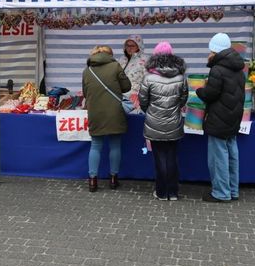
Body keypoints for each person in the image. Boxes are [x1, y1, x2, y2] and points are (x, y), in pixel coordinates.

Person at [196, 33, 245, 203]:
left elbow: (210, 94)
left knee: (218, 157)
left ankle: (221, 192)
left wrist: (199, 90)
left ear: (215, 50)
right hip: (233, 117)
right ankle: (233, 190)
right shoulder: (238, 67)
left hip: (219, 117)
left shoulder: (217, 69)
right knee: (232, 154)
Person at [138, 41, 188, 201]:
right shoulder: (181, 77)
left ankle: (161, 192)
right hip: (174, 122)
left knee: (159, 158)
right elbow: (183, 99)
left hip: (154, 123)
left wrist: (151, 112)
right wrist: (174, 109)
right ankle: (173, 193)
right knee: (172, 157)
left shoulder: (148, 78)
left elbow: (143, 101)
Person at [82, 45, 131, 192]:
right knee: (115, 145)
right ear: (109, 55)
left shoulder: (87, 70)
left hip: (95, 112)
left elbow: (85, 93)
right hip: (114, 112)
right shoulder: (115, 66)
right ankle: (114, 179)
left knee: (95, 145)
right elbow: (127, 86)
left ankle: (92, 181)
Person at [118, 35, 146, 109]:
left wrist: (139, 94)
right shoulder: (122, 60)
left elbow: (147, 80)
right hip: (121, 96)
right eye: (127, 45)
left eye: (132, 46)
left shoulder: (145, 60)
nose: (129, 48)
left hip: (136, 97)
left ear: (138, 46)